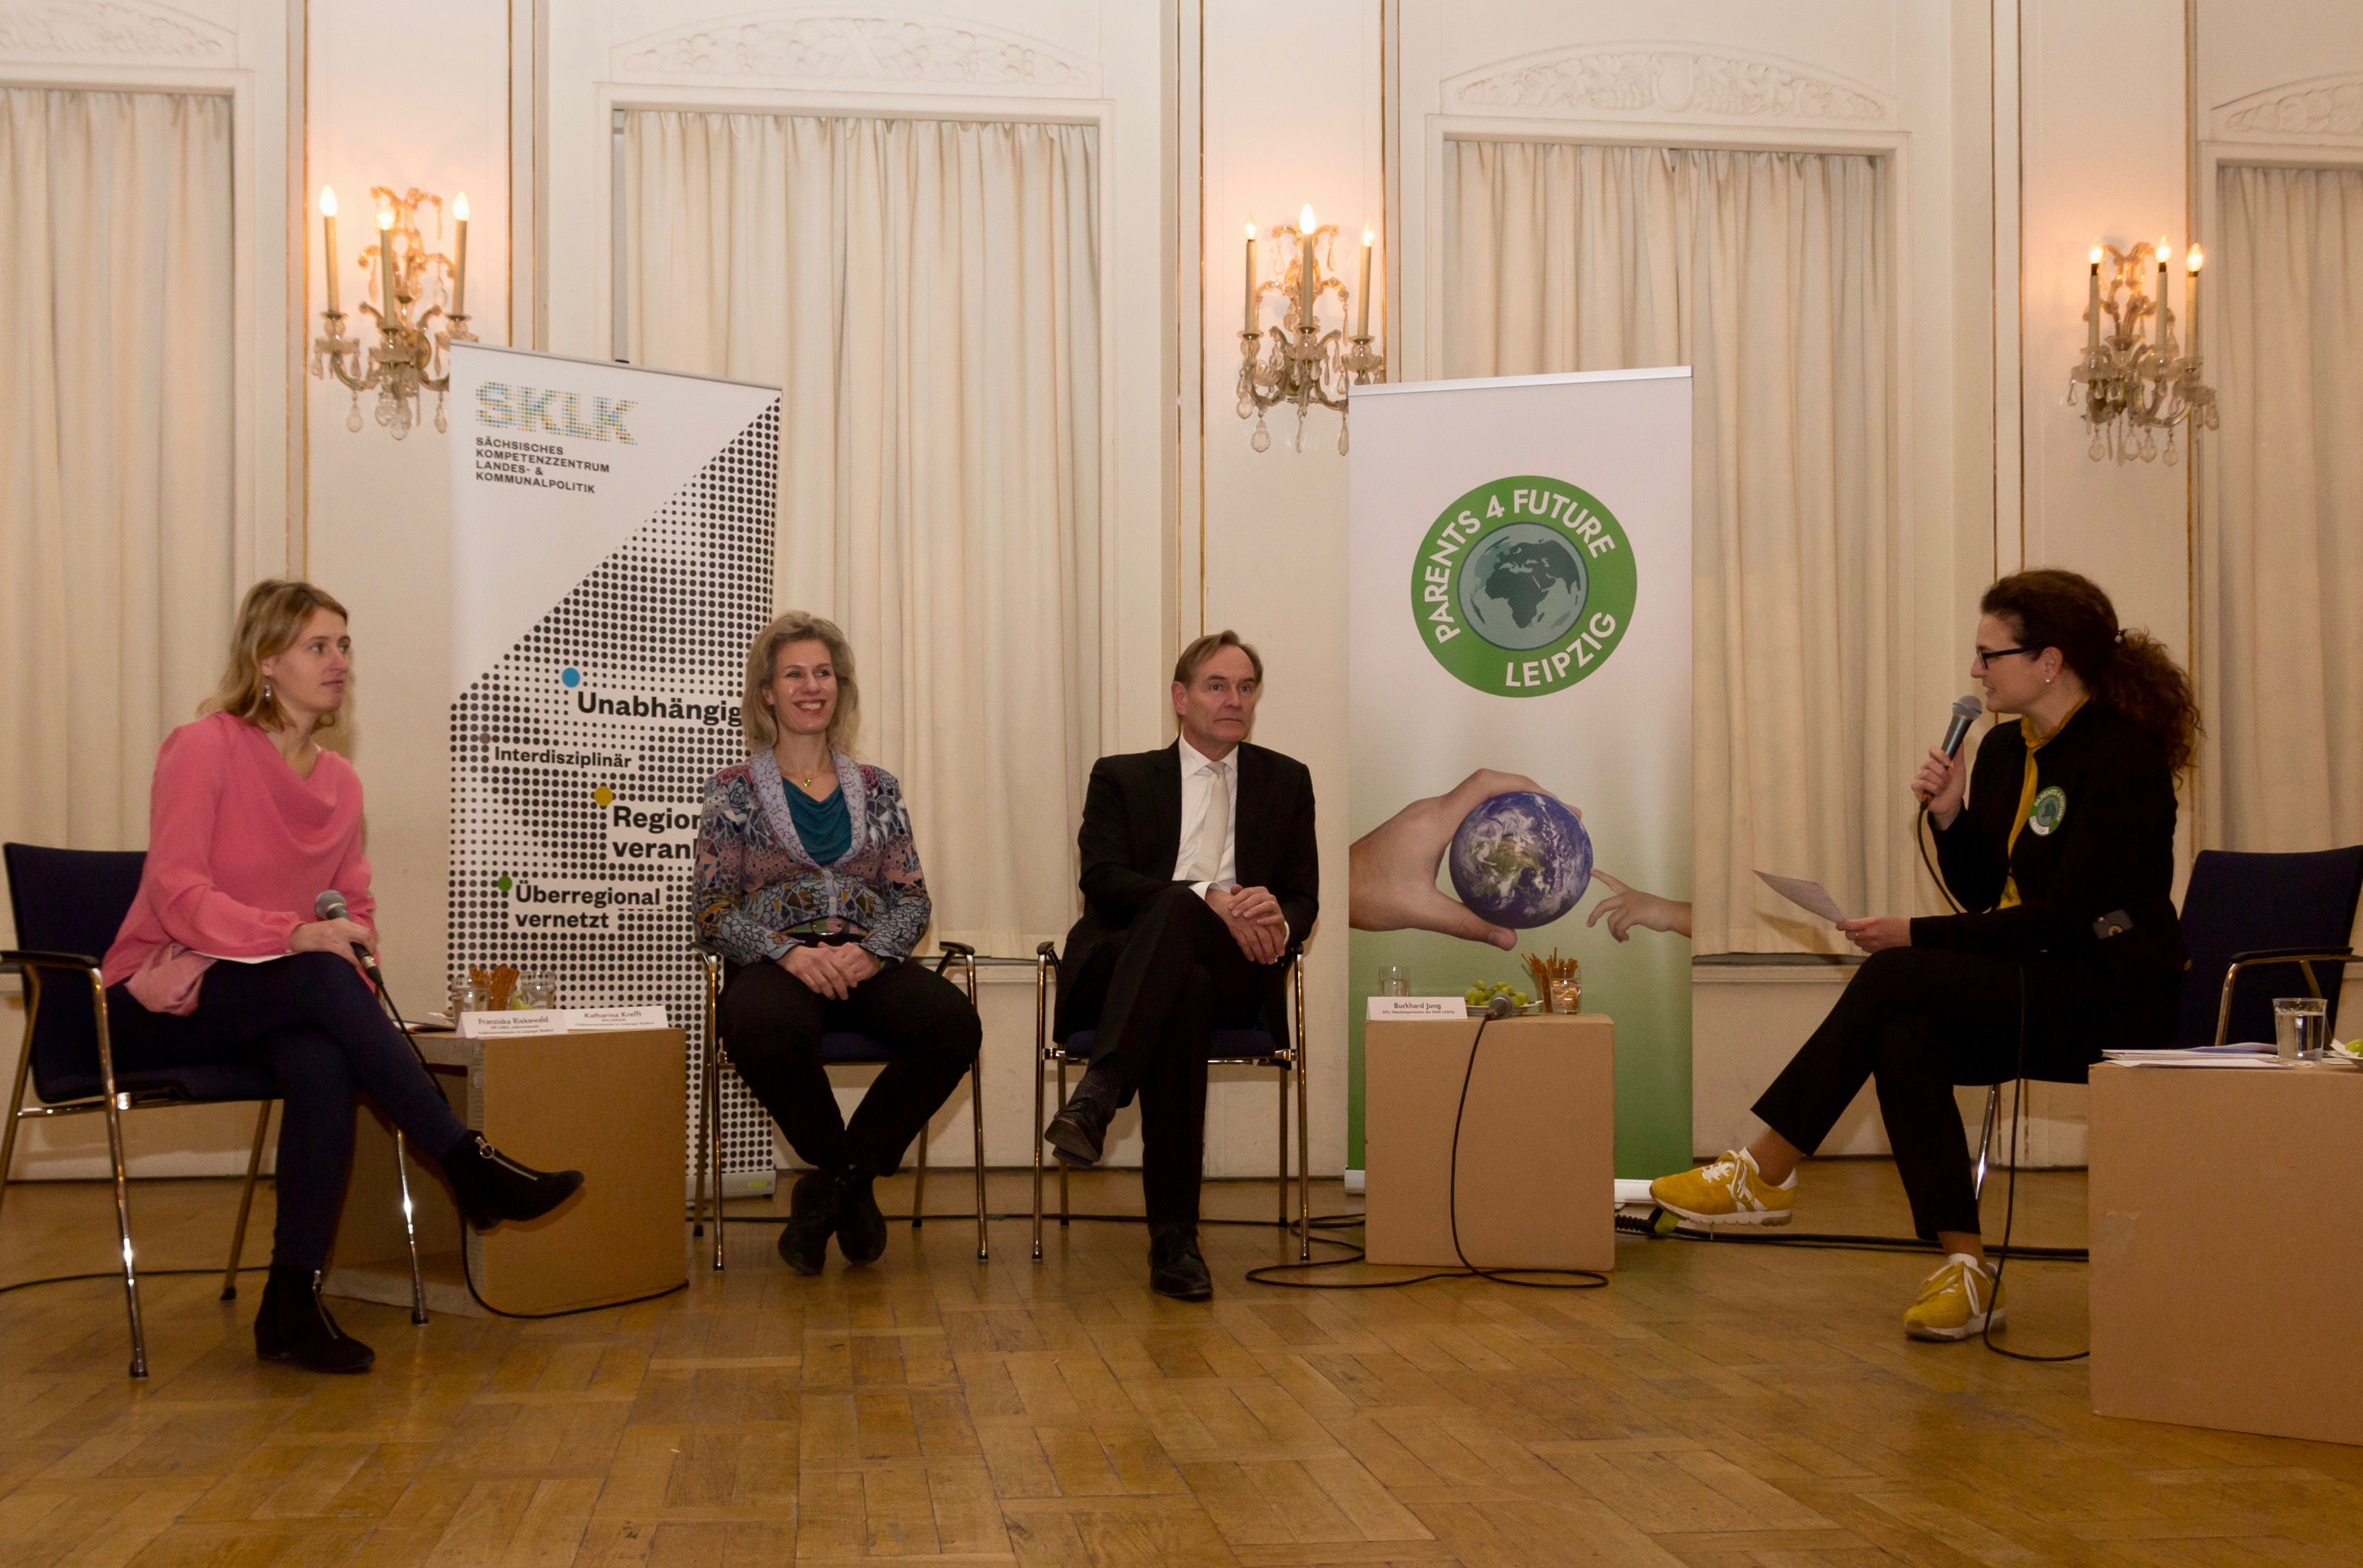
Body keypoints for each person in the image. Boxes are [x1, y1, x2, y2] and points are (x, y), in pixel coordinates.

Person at [1648, 569, 2195, 1340]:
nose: (1974, 672)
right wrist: (1949, 816)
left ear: (2048, 660)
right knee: (1904, 1034)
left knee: (1895, 970)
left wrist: (1914, 933)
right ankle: (1965, 1269)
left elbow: (2063, 919)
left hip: (2108, 992)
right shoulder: (2004, 749)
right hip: (2032, 979)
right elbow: (1982, 893)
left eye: (1988, 654)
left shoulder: (2119, 759)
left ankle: (1763, 1166)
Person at [102, 580, 585, 1375]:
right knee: (325, 980)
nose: (338, 663)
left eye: (345, 645)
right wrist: (294, 934)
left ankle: (288, 1301)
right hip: (166, 990)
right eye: (318, 647)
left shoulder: (339, 783)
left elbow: (351, 905)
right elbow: (178, 897)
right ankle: (467, 1163)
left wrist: (339, 952)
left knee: (326, 1056)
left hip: (277, 994)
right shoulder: (204, 746)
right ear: (266, 661)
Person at [693, 612, 979, 1277]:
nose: (811, 686)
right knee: (760, 1028)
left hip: (865, 958)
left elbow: (913, 898)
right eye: (794, 673)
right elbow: (711, 908)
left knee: (953, 1025)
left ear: (839, 687)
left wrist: (873, 951)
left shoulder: (878, 786)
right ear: (767, 691)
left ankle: (834, 1185)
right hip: (776, 961)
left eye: (823, 673)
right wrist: (789, 952)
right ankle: (847, 1182)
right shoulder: (732, 788)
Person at [1042, 631, 1319, 1301]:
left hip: (1236, 970)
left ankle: (1100, 1092)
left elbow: (1305, 897)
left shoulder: (1286, 779)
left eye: (1246, 687)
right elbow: (1104, 881)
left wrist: (1271, 916)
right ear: (1180, 697)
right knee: (1179, 962)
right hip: (1124, 964)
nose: (1234, 700)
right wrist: (1207, 897)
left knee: (1192, 963)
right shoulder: (1123, 775)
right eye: (1216, 685)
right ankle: (1174, 1240)